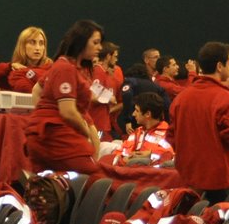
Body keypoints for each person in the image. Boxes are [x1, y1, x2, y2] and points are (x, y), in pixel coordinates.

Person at [167, 41, 229, 201]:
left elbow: (171, 135)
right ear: (219, 66)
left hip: (187, 176)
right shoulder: (226, 99)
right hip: (218, 179)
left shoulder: (181, 98)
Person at [24, 20, 104, 174]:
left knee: (47, 188)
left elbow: (37, 90)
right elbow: (67, 111)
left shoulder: (64, 66)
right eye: (95, 42)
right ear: (81, 41)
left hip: (45, 134)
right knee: (96, 179)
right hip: (55, 135)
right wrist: (85, 132)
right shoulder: (65, 68)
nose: (99, 47)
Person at [107, 91, 174, 170]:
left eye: (137, 110)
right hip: (128, 174)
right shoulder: (137, 132)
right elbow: (119, 153)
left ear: (148, 114)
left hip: (151, 178)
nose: (133, 114)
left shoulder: (167, 135)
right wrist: (124, 160)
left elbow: (169, 158)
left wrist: (150, 154)